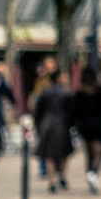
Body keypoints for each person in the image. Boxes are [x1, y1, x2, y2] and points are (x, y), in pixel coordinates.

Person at [68, 64, 101, 194]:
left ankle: (90, 173)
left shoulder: (79, 93)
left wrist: (74, 126)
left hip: (85, 125)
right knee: (98, 152)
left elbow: (74, 112)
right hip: (99, 124)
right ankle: (93, 173)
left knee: (89, 153)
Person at [33, 64, 73, 192]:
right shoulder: (66, 94)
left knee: (49, 154)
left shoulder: (46, 92)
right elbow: (71, 113)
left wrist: (38, 125)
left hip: (47, 124)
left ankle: (52, 181)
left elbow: (38, 111)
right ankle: (62, 176)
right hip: (62, 125)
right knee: (64, 153)